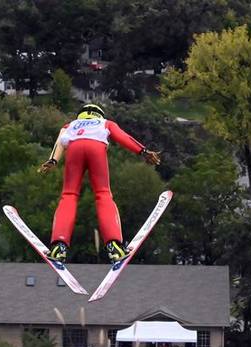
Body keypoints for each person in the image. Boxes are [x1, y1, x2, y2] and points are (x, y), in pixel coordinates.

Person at [39, 103, 160, 262]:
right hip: (96, 148)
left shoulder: (71, 125)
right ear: (99, 114)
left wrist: (53, 161)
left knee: (69, 195)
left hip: (74, 149)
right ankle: (114, 246)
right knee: (103, 194)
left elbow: (60, 142)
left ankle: (58, 247)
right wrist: (143, 151)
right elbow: (122, 136)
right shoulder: (105, 123)